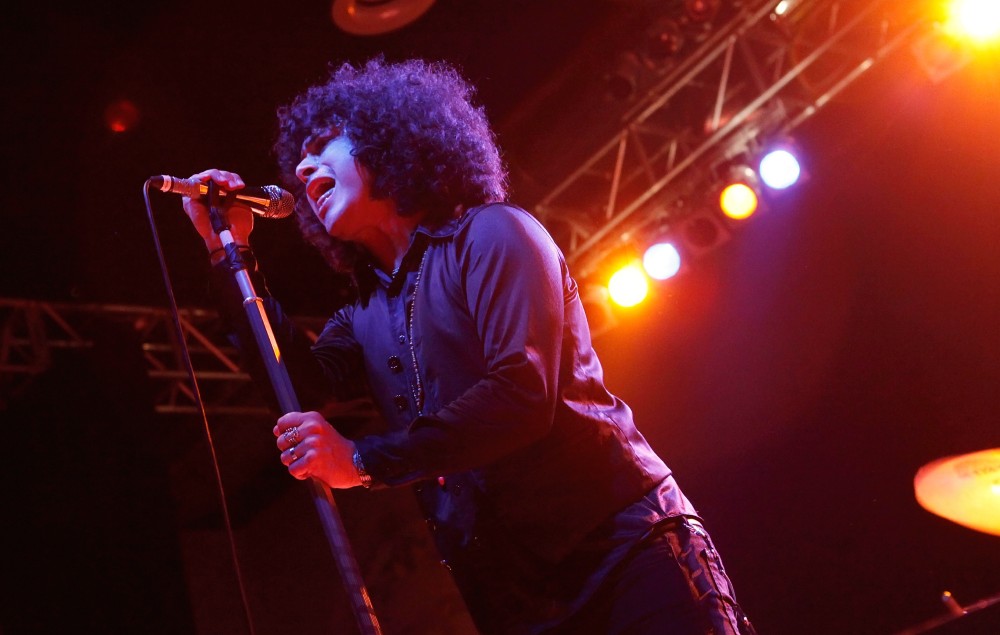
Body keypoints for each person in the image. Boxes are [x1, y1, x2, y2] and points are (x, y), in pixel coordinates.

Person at [182, 58, 755, 635]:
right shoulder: (364, 313)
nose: (303, 166)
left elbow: (520, 396)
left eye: (324, 142)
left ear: (389, 138)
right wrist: (227, 250)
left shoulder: (495, 233)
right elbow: (298, 386)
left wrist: (360, 461)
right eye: (298, 158)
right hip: (518, 606)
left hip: (627, 556)